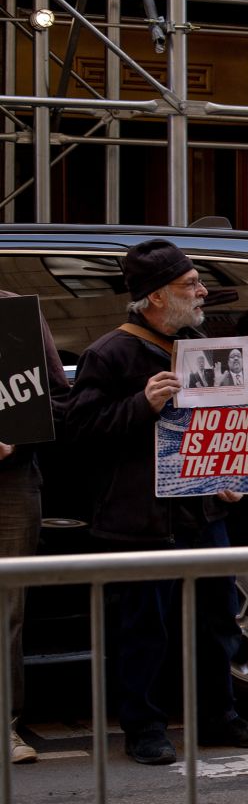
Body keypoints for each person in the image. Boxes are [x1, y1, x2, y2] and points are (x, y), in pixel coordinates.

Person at [63, 241, 248, 765]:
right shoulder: (110, 353)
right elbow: (78, 432)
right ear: (155, 297)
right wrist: (141, 405)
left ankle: (217, 716)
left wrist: (231, 473)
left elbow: (222, 427)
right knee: (143, 632)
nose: (202, 293)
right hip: (138, 522)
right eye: (190, 285)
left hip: (203, 513)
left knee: (215, 622)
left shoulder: (202, 346)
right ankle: (144, 727)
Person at [0, 291, 69, 763]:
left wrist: (15, 438)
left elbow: (59, 400)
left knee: (6, 608)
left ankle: (3, 725)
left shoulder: (15, 312)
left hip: (10, 479)